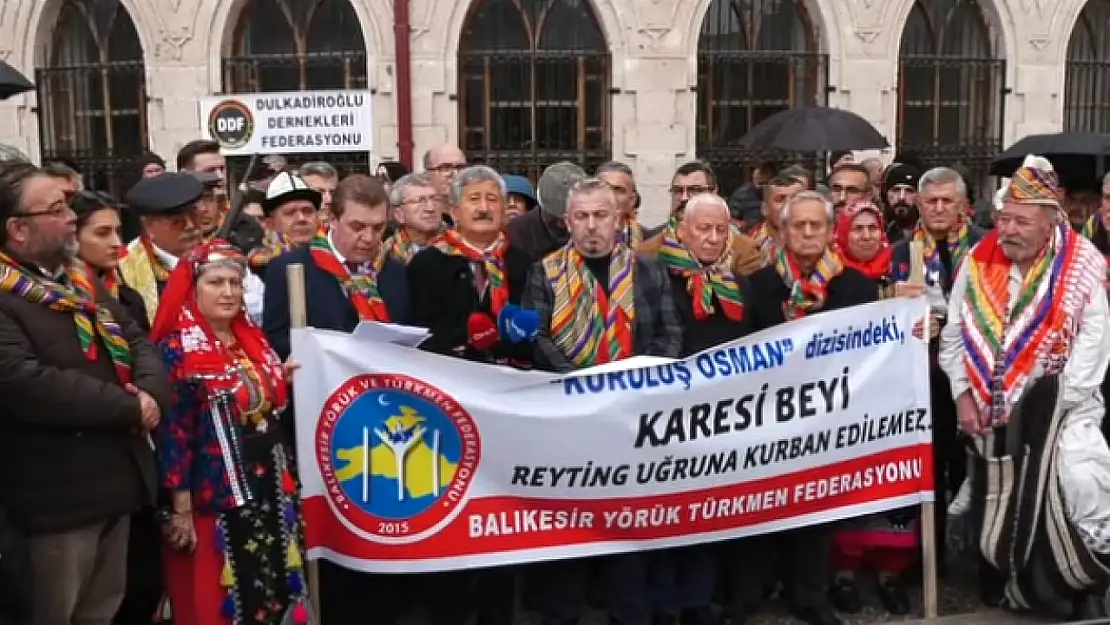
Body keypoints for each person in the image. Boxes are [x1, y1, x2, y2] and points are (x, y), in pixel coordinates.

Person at [0, 161, 171, 625]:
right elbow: (25, 382)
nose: (71, 218)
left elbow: (135, 339)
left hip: (116, 485)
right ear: (17, 229)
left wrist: (152, 392)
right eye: (57, 209)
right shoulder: (7, 296)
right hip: (55, 501)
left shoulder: (78, 278)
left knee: (102, 611)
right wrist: (129, 406)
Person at [939, 164, 1110, 619]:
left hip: (1065, 411)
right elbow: (954, 337)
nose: (1008, 230)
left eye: (1021, 221)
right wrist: (962, 395)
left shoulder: (1082, 266)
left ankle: (1079, 582)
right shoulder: (979, 259)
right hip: (990, 408)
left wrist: (1041, 413)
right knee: (997, 499)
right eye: (1004, 219)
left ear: (1050, 220)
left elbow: (1090, 355)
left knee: (1078, 481)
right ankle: (1008, 580)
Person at [524, 177, 682, 625]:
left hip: (632, 418)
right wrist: (580, 386)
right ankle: (564, 611)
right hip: (570, 418)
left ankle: (628, 610)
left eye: (601, 215)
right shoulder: (546, 271)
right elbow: (538, 336)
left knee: (627, 523)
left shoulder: (648, 271)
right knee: (570, 522)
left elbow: (671, 335)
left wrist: (639, 385)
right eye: (582, 216)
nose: (592, 225)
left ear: (619, 219)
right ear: (567, 222)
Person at [263, 174, 411, 625]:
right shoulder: (294, 268)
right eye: (357, 227)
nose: (368, 238)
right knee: (334, 545)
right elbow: (274, 341)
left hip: (386, 427)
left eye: (378, 228)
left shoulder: (395, 271)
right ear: (332, 219)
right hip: (324, 427)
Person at [736, 191, 877, 625]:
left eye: (817, 225)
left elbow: (873, 349)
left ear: (831, 230)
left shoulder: (855, 286)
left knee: (816, 507)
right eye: (799, 225)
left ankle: (810, 594)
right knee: (763, 504)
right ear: (782, 231)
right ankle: (755, 589)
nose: (808, 232)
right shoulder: (759, 286)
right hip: (770, 416)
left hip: (828, 417)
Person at [150, 240, 308, 625]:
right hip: (215, 491)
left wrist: (275, 381)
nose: (228, 293)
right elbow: (174, 435)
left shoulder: (251, 342)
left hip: (267, 482)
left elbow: (263, 403)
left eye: (235, 284)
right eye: (215, 283)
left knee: (271, 581)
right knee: (223, 589)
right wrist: (181, 508)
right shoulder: (177, 351)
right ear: (193, 289)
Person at [653, 193, 750, 625]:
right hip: (667, 418)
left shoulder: (740, 286)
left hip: (721, 420)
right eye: (702, 229)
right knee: (666, 513)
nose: (711, 239)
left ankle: (699, 601)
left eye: (719, 230)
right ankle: (665, 603)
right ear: (683, 230)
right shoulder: (656, 279)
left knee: (711, 511)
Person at [826, 200, 911, 616]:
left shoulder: (903, 274)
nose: (864, 236)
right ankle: (844, 574)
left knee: (891, 483)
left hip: (894, 400)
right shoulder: (829, 278)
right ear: (841, 233)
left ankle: (889, 573)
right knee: (850, 486)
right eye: (855, 228)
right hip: (846, 402)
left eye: (871, 229)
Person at [409, 165, 534, 366]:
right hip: (450, 380)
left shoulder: (523, 263)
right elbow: (420, 330)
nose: (483, 209)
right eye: (474, 199)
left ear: (502, 210)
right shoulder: (427, 263)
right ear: (454, 211)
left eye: (492, 200)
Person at [506, 162, 584, 264]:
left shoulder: (594, 229)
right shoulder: (516, 233)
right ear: (541, 204)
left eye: (572, 216)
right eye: (555, 216)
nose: (561, 224)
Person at [384, 173, 445, 264]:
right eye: (420, 201)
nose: (431, 208)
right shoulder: (385, 254)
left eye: (435, 199)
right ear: (399, 214)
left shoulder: (461, 244)